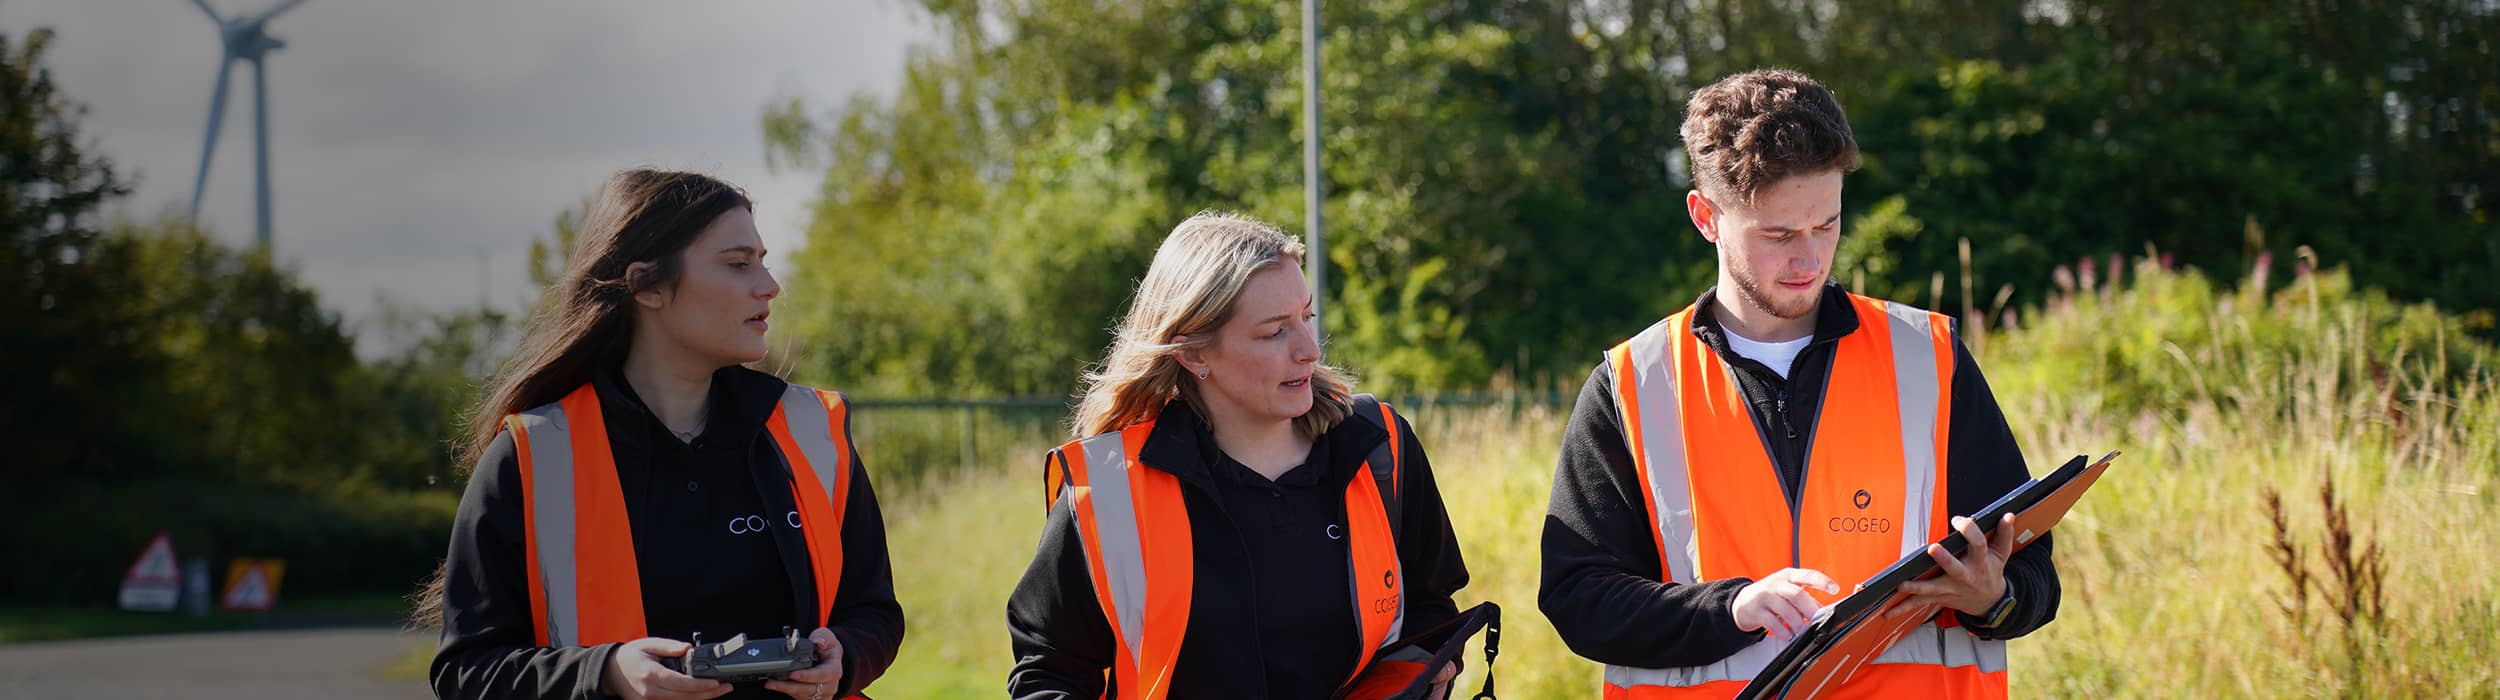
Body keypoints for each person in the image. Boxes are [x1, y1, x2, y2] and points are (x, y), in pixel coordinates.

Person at [1538, 69, 2060, 698]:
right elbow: (1577, 598)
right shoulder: (1630, 385)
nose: (1809, 259)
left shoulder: (1932, 359)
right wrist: (1727, 611)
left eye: (1827, 226)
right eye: (1778, 234)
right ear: (1705, 217)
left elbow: (2032, 577)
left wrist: (1993, 595)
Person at [425, 168, 903, 700]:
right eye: (738, 264)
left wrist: (845, 654)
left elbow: (874, 612)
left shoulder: (815, 429)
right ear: (647, 285)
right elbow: (467, 670)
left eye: (763, 263)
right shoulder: (532, 454)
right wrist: (606, 674)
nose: (770, 286)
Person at [1006, 212, 1471, 699]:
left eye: (1306, 318)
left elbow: (1429, 606)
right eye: (1274, 332)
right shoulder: (1107, 489)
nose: (1309, 350)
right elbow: (1049, 673)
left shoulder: (1380, 448)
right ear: (1193, 352)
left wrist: (1429, 669)